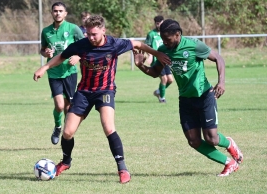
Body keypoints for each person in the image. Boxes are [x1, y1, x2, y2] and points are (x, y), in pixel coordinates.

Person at [33, 15, 170, 183]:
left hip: (105, 90)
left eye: (94, 34)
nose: (90, 37)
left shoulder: (114, 44)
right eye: (88, 34)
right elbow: (61, 56)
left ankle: (122, 169)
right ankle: (66, 161)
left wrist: (157, 54)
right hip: (83, 92)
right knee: (68, 132)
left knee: (108, 127)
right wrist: (45, 67)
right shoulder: (81, 45)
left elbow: (136, 43)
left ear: (103, 31)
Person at [133, 19, 243, 176]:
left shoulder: (194, 45)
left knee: (212, 138)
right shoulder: (163, 49)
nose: (165, 42)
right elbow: (156, 72)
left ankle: (229, 143)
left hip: (204, 96)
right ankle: (229, 163)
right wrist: (140, 66)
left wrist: (222, 82)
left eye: (168, 39)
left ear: (178, 34)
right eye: (163, 39)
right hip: (185, 100)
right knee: (194, 141)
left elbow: (218, 58)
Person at [40, 2, 85, 145]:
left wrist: (78, 56)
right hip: (54, 72)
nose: (58, 13)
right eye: (55, 11)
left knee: (68, 107)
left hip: (70, 72)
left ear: (65, 13)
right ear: (51, 13)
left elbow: (85, 46)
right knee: (59, 105)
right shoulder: (46, 31)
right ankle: (58, 127)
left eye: (60, 11)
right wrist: (45, 52)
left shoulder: (73, 28)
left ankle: (67, 135)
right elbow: (42, 49)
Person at [145, 15, 173, 103]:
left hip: (166, 60)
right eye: (157, 24)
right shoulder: (151, 34)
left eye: (160, 23)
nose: (158, 25)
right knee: (164, 79)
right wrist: (150, 56)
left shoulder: (166, 33)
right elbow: (147, 46)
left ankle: (158, 91)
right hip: (156, 60)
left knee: (170, 80)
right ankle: (162, 98)